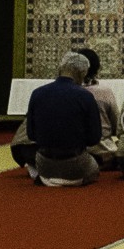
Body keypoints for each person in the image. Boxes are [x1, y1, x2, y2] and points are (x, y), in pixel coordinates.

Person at [24, 51, 102, 186]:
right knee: (94, 168)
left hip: (44, 164)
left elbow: (31, 134)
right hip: (76, 164)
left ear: (60, 68)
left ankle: (47, 178)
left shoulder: (37, 93)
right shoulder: (85, 96)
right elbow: (94, 138)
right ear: (82, 73)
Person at [78, 47, 120, 168]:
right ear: (97, 68)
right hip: (104, 152)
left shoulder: (68, 92)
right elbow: (117, 125)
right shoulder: (105, 91)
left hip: (76, 153)